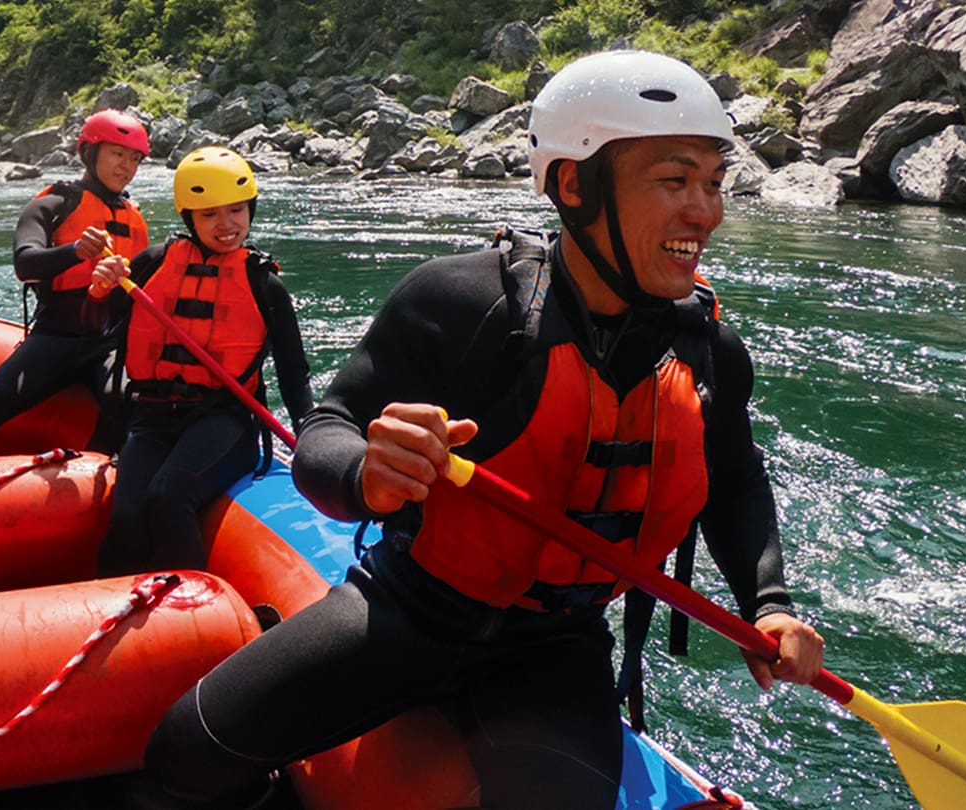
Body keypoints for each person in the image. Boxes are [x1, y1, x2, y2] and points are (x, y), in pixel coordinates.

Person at [127, 51, 827, 810]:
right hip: (407, 613)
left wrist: (770, 603)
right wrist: (368, 471)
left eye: (713, 183)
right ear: (573, 186)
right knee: (182, 758)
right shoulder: (462, 304)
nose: (706, 211)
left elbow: (732, 476)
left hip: (555, 652)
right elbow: (327, 431)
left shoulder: (709, 352)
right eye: (674, 180)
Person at [84, 145, 313, 577]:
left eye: (236, 211)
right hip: (152, 417)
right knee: (126, 516)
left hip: (222, 421)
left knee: (168, 497)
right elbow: (99, 328)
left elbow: (293, 373)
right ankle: (108, 605)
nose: (226, 226)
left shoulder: (265, 285)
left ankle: (191, 619)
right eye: (209, 215)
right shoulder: (152, 264)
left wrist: (313, 439)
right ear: (190, 218)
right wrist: (100, 290)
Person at [0, 109, 152, 458]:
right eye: (117, 154)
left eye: (134, 159)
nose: (126, 167)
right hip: (55, 336)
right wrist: (75, 251)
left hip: (108, 342)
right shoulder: (54, 203)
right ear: (89, 153)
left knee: (126, 403)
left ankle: (93, 485)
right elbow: (25, 264)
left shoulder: (135, 218)